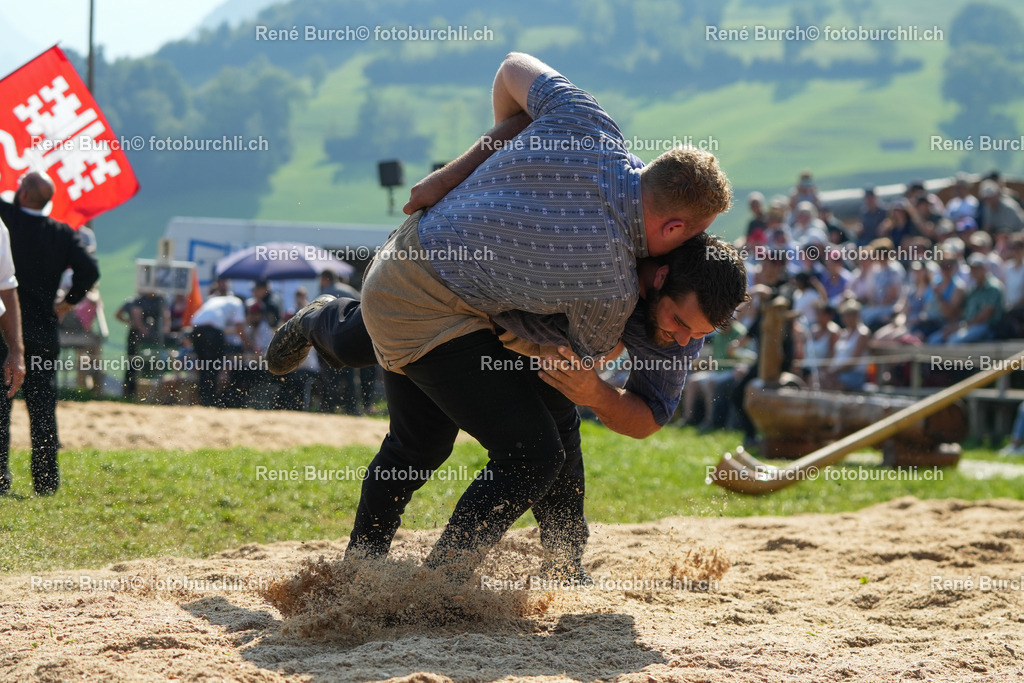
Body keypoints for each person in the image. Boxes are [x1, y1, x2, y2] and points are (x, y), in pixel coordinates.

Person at [271, 51, 735, 578]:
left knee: (440, 425)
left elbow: (513, 67)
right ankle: (439, 583)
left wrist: (470, 166)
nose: (682, 339)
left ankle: (545, 561)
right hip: (434, 303)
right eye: (680, 326)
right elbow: (571, 366)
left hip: (424, 258)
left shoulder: (590, 124)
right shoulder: (611, 285)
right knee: (511, 448)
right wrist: (468, 172)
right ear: (672, 236)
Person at [272, 233, 746, 580]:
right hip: (454, 301)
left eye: (698, 333)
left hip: (525, 340)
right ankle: (319, 318)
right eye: (679, 321)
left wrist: (596, 393)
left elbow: (649, 418)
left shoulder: (681, 328)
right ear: (660, 277)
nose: (683, 339)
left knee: (554, 431)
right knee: (416, 439)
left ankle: (561, 562)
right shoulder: (598, 250)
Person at [0, 172, 99, 495]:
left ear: (24, 195)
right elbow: (90, 270)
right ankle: (46, 483)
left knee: (1, 406)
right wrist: (65, 304)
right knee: (43, 408)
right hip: (43, 331)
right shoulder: (62, 233)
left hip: (4, 330)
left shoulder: (7, 218)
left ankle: (0, 479)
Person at [188, 294, 246, 407]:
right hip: (212, 332)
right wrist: (248, 344)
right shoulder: (237, 302)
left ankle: (203, 399)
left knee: (204, 366)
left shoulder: (215, 300)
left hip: (196, 330)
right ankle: (209, 400)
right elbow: (239, 327)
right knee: (213, 366)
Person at [116, 291, 169, 398]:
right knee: (132, 364)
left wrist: (164, 330)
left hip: (153, 337)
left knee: (149, 363)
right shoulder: (135, 301)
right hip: (138, 336)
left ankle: (146, 393)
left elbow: (166, 317)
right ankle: (130, 392)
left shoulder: (160, 300)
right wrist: (136, 326)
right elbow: (122, 315)